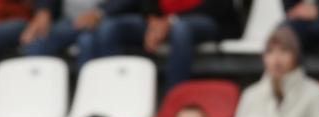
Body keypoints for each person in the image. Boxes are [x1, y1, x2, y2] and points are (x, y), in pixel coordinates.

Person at [95, 0, 240, 90]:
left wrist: (170, 21)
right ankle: (112, 91)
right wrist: (153, 21)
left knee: (180, 29)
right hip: (160, 21)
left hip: (207, 21)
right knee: (110, 27)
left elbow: (218, 6)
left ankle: (174, 97)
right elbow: (147, 5)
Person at [20, 0, 141, 66]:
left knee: (88, 40)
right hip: (71, 20)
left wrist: (99, 12)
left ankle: (96, 94)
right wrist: (44, 11)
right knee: (37, 40)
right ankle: (36, 97)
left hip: (111, 17)